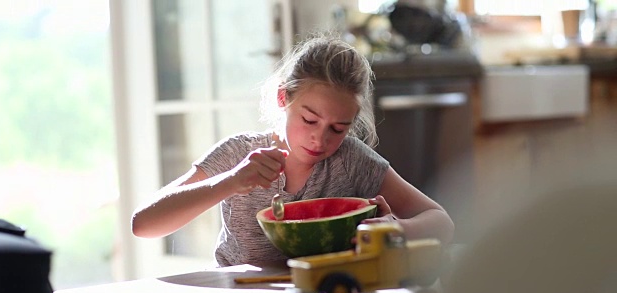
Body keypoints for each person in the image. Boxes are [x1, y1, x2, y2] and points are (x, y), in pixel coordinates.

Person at [131, 33, 454, 267]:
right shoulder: (237, 154)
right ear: (283, 98)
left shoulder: (353, 161)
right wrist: (230, 181)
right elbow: (144, 225)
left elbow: (442, 222)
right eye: (309, 119)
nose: (320, 139)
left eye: (338, 128)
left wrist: (397, 229)